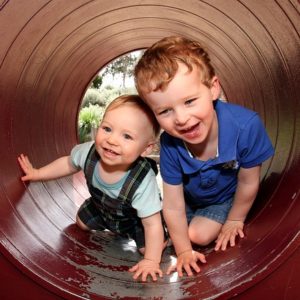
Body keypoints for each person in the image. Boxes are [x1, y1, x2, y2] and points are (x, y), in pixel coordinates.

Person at [134, 36, 275, 277]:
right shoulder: (170, 143)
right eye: (165, 111)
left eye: (189, 101)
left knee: (197, 235)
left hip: (223, 199)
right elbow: (174, 204)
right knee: (152, 234)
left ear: (213, 88)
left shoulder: (245, 126)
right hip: (190, 200)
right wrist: (183, 252)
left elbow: (248, 181)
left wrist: (235, 219)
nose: (180, 118)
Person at [18, 94, 168, 282]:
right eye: (107, 129)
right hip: (101, 208)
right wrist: (38, 173)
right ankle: (110, 226)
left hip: (135, 220)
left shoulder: (142, 181)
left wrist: (151, 260)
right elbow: (67, 164)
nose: (112, 140)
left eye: (127, 136)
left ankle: (164, 237)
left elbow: (151, 224)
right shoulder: (88, 152)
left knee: (148, 247)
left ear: (146, 149)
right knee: (80, 223)